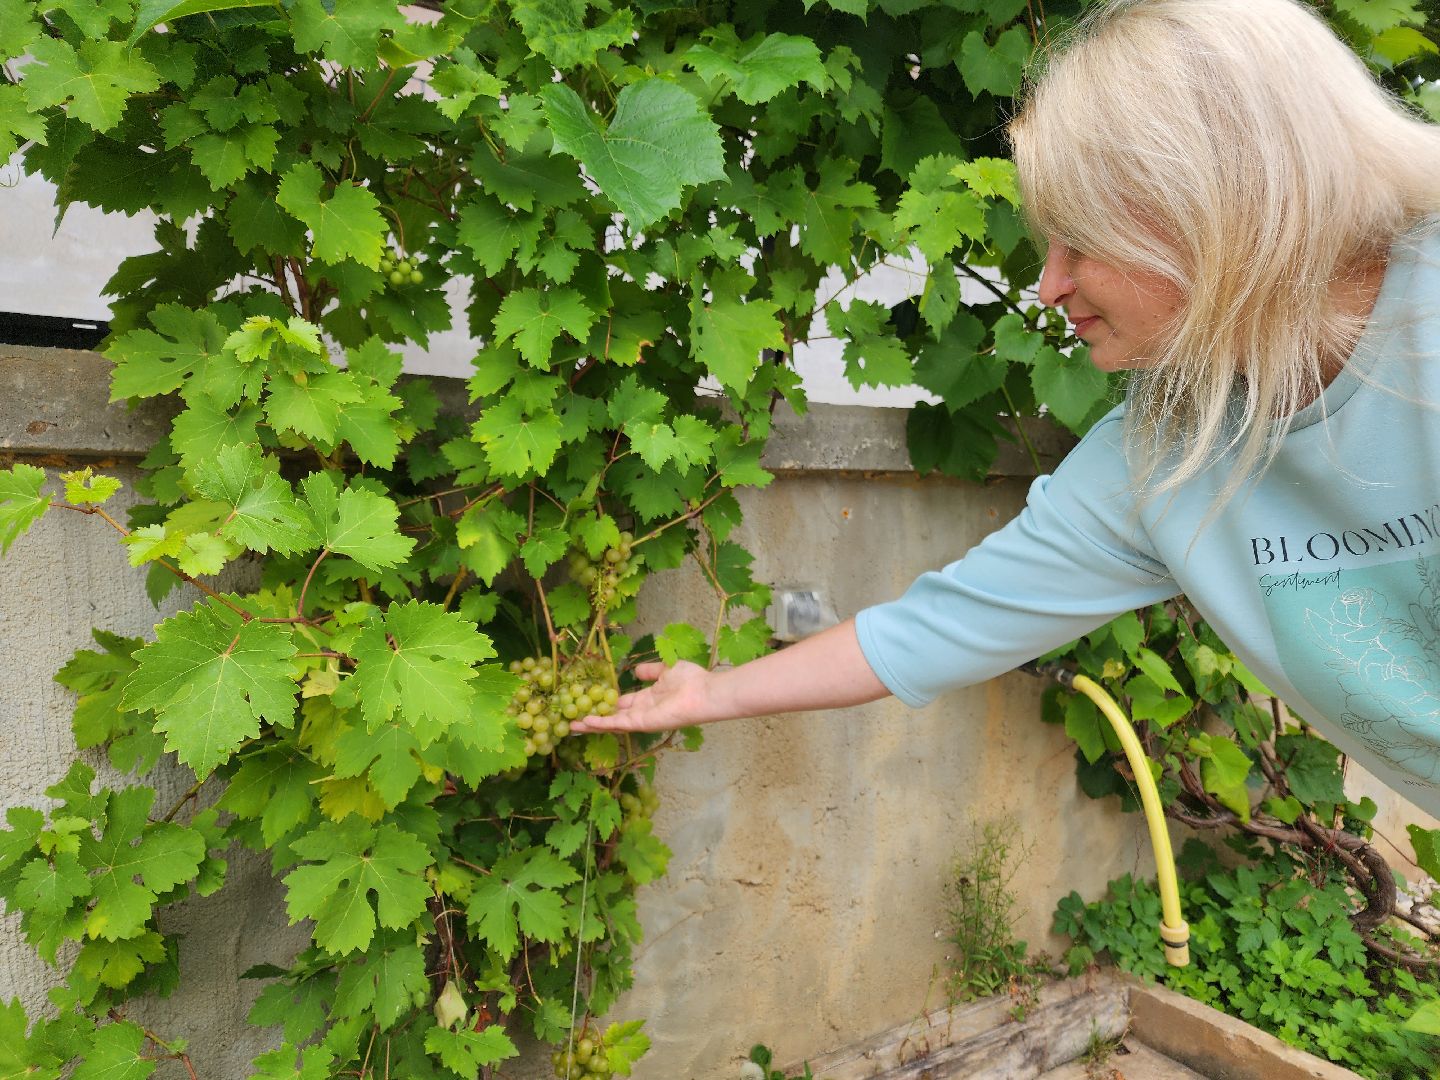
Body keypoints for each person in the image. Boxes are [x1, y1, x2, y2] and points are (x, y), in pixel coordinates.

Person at [574, 0, 1440, 821]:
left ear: (1208, 209)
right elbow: (944, 623)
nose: (1049, 285)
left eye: (1080, 239)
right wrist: (711, 690)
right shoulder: (1167, 453)